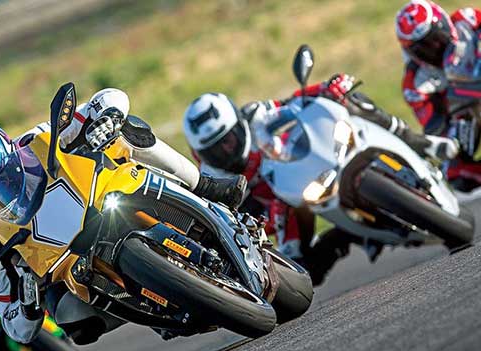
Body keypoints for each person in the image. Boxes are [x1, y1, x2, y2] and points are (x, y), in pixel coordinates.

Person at [0, 87, 247, 344]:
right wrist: (26, 303)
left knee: (127, 131)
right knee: (75, 322)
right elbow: (16, 327)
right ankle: (154, 309)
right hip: (58, 259)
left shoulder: (37, 139)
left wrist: (106, 118)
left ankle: (205, 187)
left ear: (12, 155)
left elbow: (108, 98)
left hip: (97, 199)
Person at [183, 75, 458, 284]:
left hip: (309, 161)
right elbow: (232, 222)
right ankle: (346, 236)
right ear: (200, 154)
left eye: (228, 141)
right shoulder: (212, 180)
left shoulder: (256, 115)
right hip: (288, 204)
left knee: (349, 101)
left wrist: (328, 87)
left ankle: (421, 143)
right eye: (215, 150)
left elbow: (296, 102)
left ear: (237, 124)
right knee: (302, 274)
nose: (226, 151)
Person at [396, 0, 481, 190]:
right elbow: (434, 127)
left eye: (437, 37)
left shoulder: (467, 20)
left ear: (444, 22)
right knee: (453, 170)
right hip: (464, 113)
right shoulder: (414, 84)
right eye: (424, 47)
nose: (434, 47)